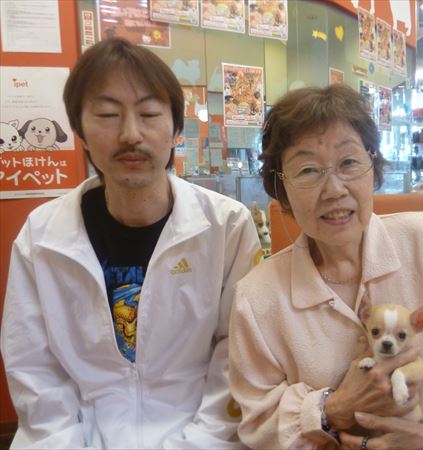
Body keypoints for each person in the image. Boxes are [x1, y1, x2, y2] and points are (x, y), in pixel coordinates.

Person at [1, 37, 261, 449]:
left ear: (176, 129)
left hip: (198, 435)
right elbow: (33, 367)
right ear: (80, 132)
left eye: (149, 114)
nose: (130, 134)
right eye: (107, 114)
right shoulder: (43, 237)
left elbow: (238, 354)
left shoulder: (227, 226)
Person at [228, 84, 423, 450]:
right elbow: (258, 422)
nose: (334, 189)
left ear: (373, 166)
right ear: (282, 189)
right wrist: (331, 410)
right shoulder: (256, 297)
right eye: (308, 170)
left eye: (349, 162)